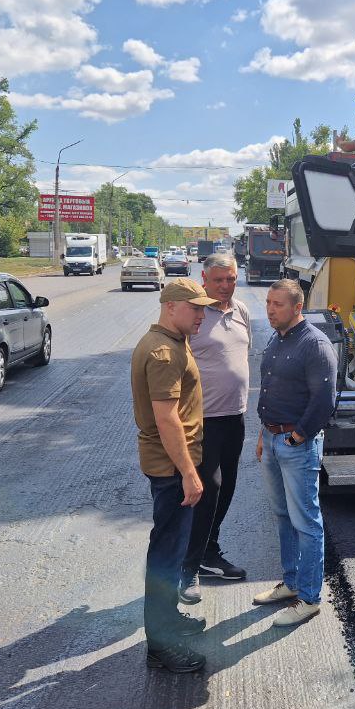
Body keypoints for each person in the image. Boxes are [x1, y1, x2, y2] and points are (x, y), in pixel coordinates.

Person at [130, 278, 218, 673]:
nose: (202, 315)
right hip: (170, 467)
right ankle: (161, 645)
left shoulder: (173, 341)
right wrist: (188, 473)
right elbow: (167, 420)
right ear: (170, 307)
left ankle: (167, 624)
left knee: (171, 548)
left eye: (203, 308)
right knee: (166, 556)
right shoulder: (164, 352)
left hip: (171, 463)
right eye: (195, 308)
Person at [252, 279, 338, 627]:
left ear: (297, 307)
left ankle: (309, 597)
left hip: (296, 444)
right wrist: (263, 434)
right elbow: (274, 390)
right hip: (272, 440)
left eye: (278, 304)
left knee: (306, 521)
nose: (270, 310)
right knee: (282, 515)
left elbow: (324, 401)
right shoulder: (278, 338)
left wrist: (297, 436)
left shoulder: (314, 345)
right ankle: (290, 582)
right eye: (269, 303)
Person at [178, 253, 252, 607]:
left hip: (234, 416)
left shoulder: (241, 311)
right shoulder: (194, 316)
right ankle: (187, 568)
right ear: (204, 279)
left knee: (228, 488)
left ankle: (209, 552)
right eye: (219, 280)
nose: (225, 286)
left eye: (231, 279)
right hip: (202, 419)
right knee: (207, 490)